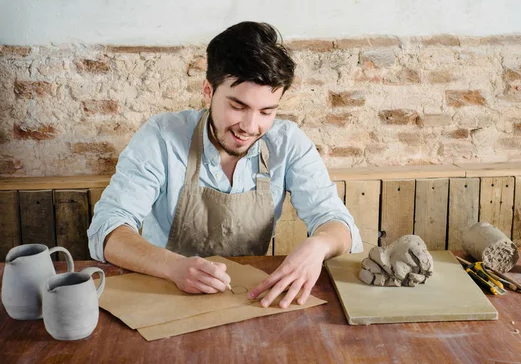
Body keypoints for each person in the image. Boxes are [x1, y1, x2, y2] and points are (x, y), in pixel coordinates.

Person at [87, 21, 363, 309]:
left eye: (266, 111)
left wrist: (318, 246)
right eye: (238, 106)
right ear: (208, 91)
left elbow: (339, 225)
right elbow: (108, 230)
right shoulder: (161, 137)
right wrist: (174, 267)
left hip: (248, 301)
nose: (250, 126)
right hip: (164, 292)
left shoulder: (288, 142)